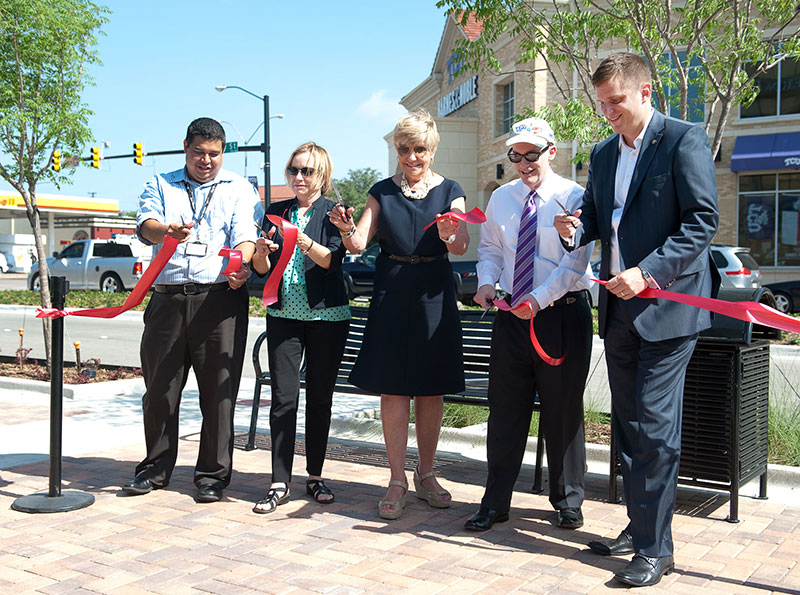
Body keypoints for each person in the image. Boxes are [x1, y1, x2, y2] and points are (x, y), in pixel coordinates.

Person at [555, 53, 719, 587]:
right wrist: (574, 229)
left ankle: (655, 550)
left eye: (615, 102)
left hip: (669, 308)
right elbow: (600, 220)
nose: (607, 112)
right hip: (619, 309)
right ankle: (640, 526)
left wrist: (647, 274)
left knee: (654, 427)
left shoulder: (682, 139)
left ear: (645, 92)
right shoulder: (603, 154)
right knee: (629, 429)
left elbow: (701, 223)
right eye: (600, 104)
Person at [328, 108, 468, 520]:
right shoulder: (381, 191)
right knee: (393, 388)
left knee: (430, 388)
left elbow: (459, 245)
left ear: (432, 149)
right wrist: (342, 226)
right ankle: (395, 479)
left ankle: (426, 474)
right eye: (404, 149)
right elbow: (356, 244)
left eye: (419, 149)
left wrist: (449, 233)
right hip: (391, 291)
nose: (411, 157)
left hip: (433, 294)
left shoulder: (451, 190)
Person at [464, 117, 593, 534]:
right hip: (511, 319)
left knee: (562, 413)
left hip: (560, 315)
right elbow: (490, 250)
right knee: (505, 412)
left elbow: (577, 265)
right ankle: (495, 502)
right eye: (515, 155)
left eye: (531, 154)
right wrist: (486, 283)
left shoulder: (576, 197)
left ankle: (568, 501)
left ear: (551, 152)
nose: (523, 163)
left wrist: (537, 300)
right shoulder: (501, 198)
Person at [123, 117, 259, 504]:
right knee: (160, 389)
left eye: (214, 154)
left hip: (220, 299)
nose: (206, 160)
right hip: (167, 298)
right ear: (185, 147)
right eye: (199, 152)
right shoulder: (161, 183)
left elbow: (245, 235)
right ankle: (154, 468)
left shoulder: (238, 188)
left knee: (219, 392)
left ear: (222, 152)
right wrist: (165, 230)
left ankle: (212, 476)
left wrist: (240, 267)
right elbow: (144, 223)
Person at [250, 142, 350, 514]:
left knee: (319, 399)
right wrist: (261, 252)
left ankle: (315, 475)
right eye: (293, 170)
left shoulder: (332, 213)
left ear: (322, 174)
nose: (298, 177)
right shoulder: (275, 212)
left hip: (327, 317)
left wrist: (302, 240)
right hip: (283, 316)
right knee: (283, 399)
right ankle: (279, 481)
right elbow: (261, 271)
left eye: (306, 171)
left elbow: (332, 261)